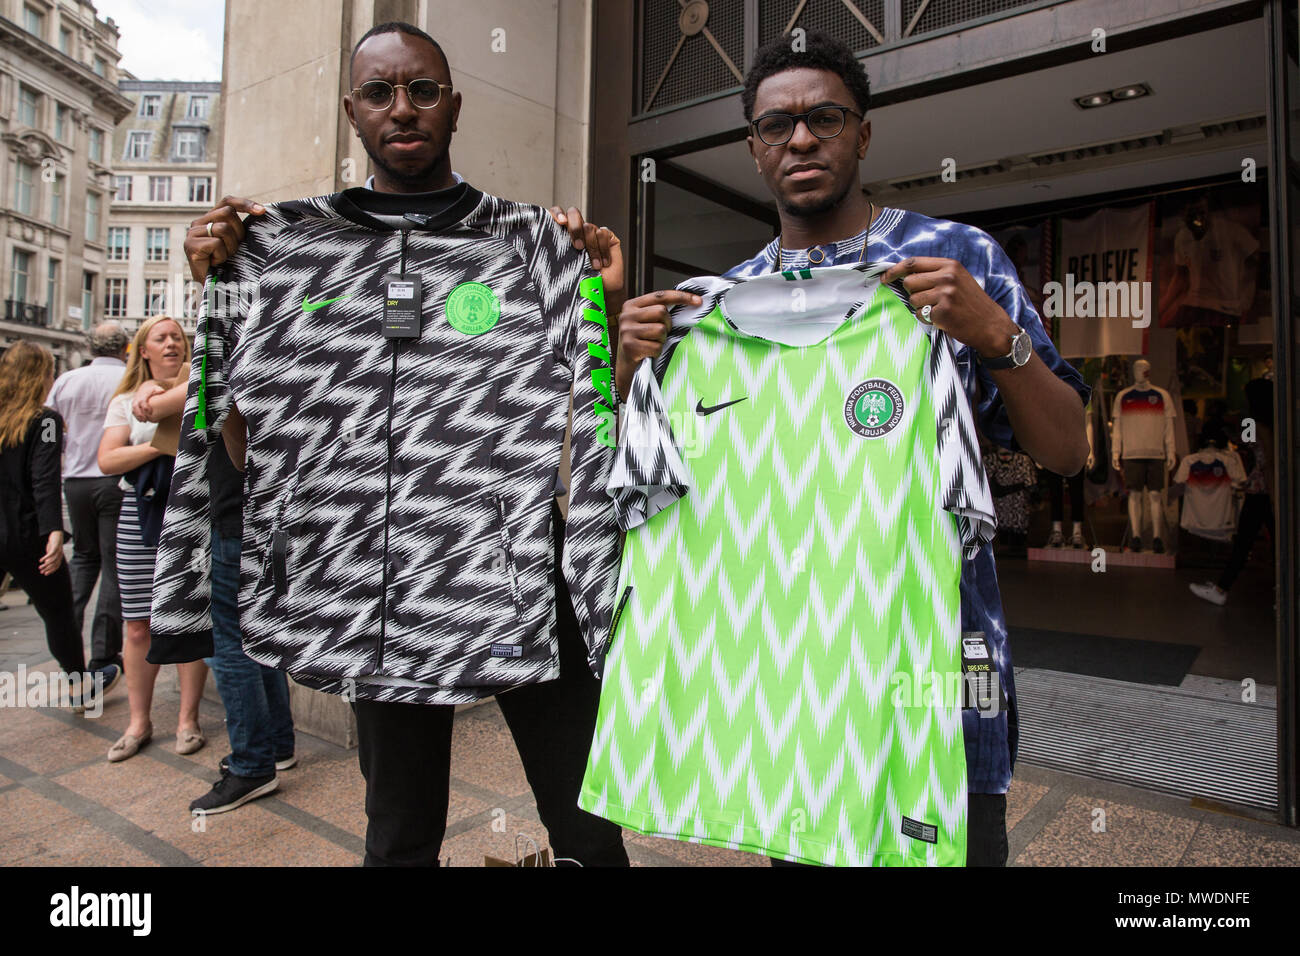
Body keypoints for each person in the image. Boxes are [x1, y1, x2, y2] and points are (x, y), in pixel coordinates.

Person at [613, 31, 1089, 866]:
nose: (801, 139)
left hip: (943, 675)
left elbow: (1069, 451)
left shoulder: (961, 261)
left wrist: (995, 334)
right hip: (794, 693)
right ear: (753, 148)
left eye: (825, 118)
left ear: (862, 133)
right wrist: (628, 370)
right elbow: (648, 494)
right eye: (777, 125)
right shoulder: (725, 306)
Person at [165, 21, 627, 866]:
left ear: (455, 106)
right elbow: (229, 433)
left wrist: (601, 308)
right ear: (352, 111)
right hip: (370, 589)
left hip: (515, 571)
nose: (402, 109)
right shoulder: (274, 254)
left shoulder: (529, 248)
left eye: (422, 90)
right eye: (380, 92)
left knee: (589, 826)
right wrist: (216, 293)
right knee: (401, 837)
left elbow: (599, 415)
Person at [132, 373, 298, 813]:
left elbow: (162, 404)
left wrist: (150, 392)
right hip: (255, 509)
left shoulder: (225, 347)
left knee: (228, 643)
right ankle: (278, 744)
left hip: (230, 510)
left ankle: (252, 765)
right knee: (253, 634)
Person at [97, 316, 208, 761]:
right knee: (138, 621)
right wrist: (161, 445)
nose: (171, 345)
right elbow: (108, 460)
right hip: (137, 517)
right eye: (160, 339)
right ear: (143, 350)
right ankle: (138, 721)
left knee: (189, 617)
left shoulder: (198, 390)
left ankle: (188, 720)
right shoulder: (125, 400)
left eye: (177, 338)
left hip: (189, 516)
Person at [0, 341, 101, 709]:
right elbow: (44, 479)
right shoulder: (45, 422)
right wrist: (54, 532)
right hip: (26, 535)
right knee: (58, 613)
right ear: (40, 376)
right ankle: (78, 687)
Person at [46, 322, 130, 689]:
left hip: (76, 481)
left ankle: (68, 643)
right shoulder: (129, 380)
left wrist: (68, 451)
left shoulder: (67, 381)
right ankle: (103, 654)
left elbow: (51, 430)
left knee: (83, 558)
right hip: (115, 480)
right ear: (126, 347)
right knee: (114, 564)